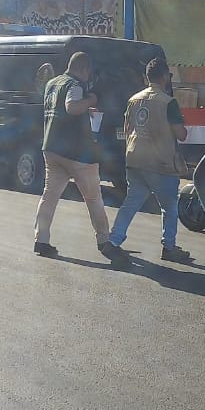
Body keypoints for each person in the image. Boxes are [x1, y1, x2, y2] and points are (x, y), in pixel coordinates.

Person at [34, 51, 130, 267]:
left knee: (49, 196)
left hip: (51, 148)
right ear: (84, 69)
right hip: (77, 152)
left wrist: (84, 108)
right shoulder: (75, 84)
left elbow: (60, 110)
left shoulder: (52, 84)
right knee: (93, 198)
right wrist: (90, 100)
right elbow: (71, 107)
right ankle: (104, 241)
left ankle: (41, 239)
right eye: (89, 73)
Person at [109, 57, 191, 262]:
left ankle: (114, 240)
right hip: (160, 163)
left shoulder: (133, 100)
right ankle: (169, 247)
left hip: (135, 159)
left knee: (130, 203)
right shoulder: (168, 102)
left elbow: (127, 129)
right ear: (164, 77)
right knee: (169, 207)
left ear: (147, 77)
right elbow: (181, 134)